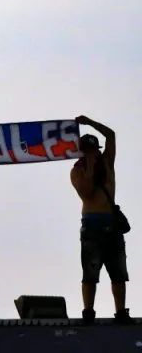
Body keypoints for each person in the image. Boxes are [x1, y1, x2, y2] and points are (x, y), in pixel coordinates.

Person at [70, 114, 130, 324]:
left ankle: (121, 312)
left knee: (119, 272)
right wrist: (89, 167)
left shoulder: (107, 163)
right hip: (92, 225)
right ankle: (88, 312)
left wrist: (90, 122)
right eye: (90, 151)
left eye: (96, 150)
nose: (94, 154)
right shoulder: (77, 171)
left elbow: (111, 135)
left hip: (111, 224)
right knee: (90, 272)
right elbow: (86, 193)